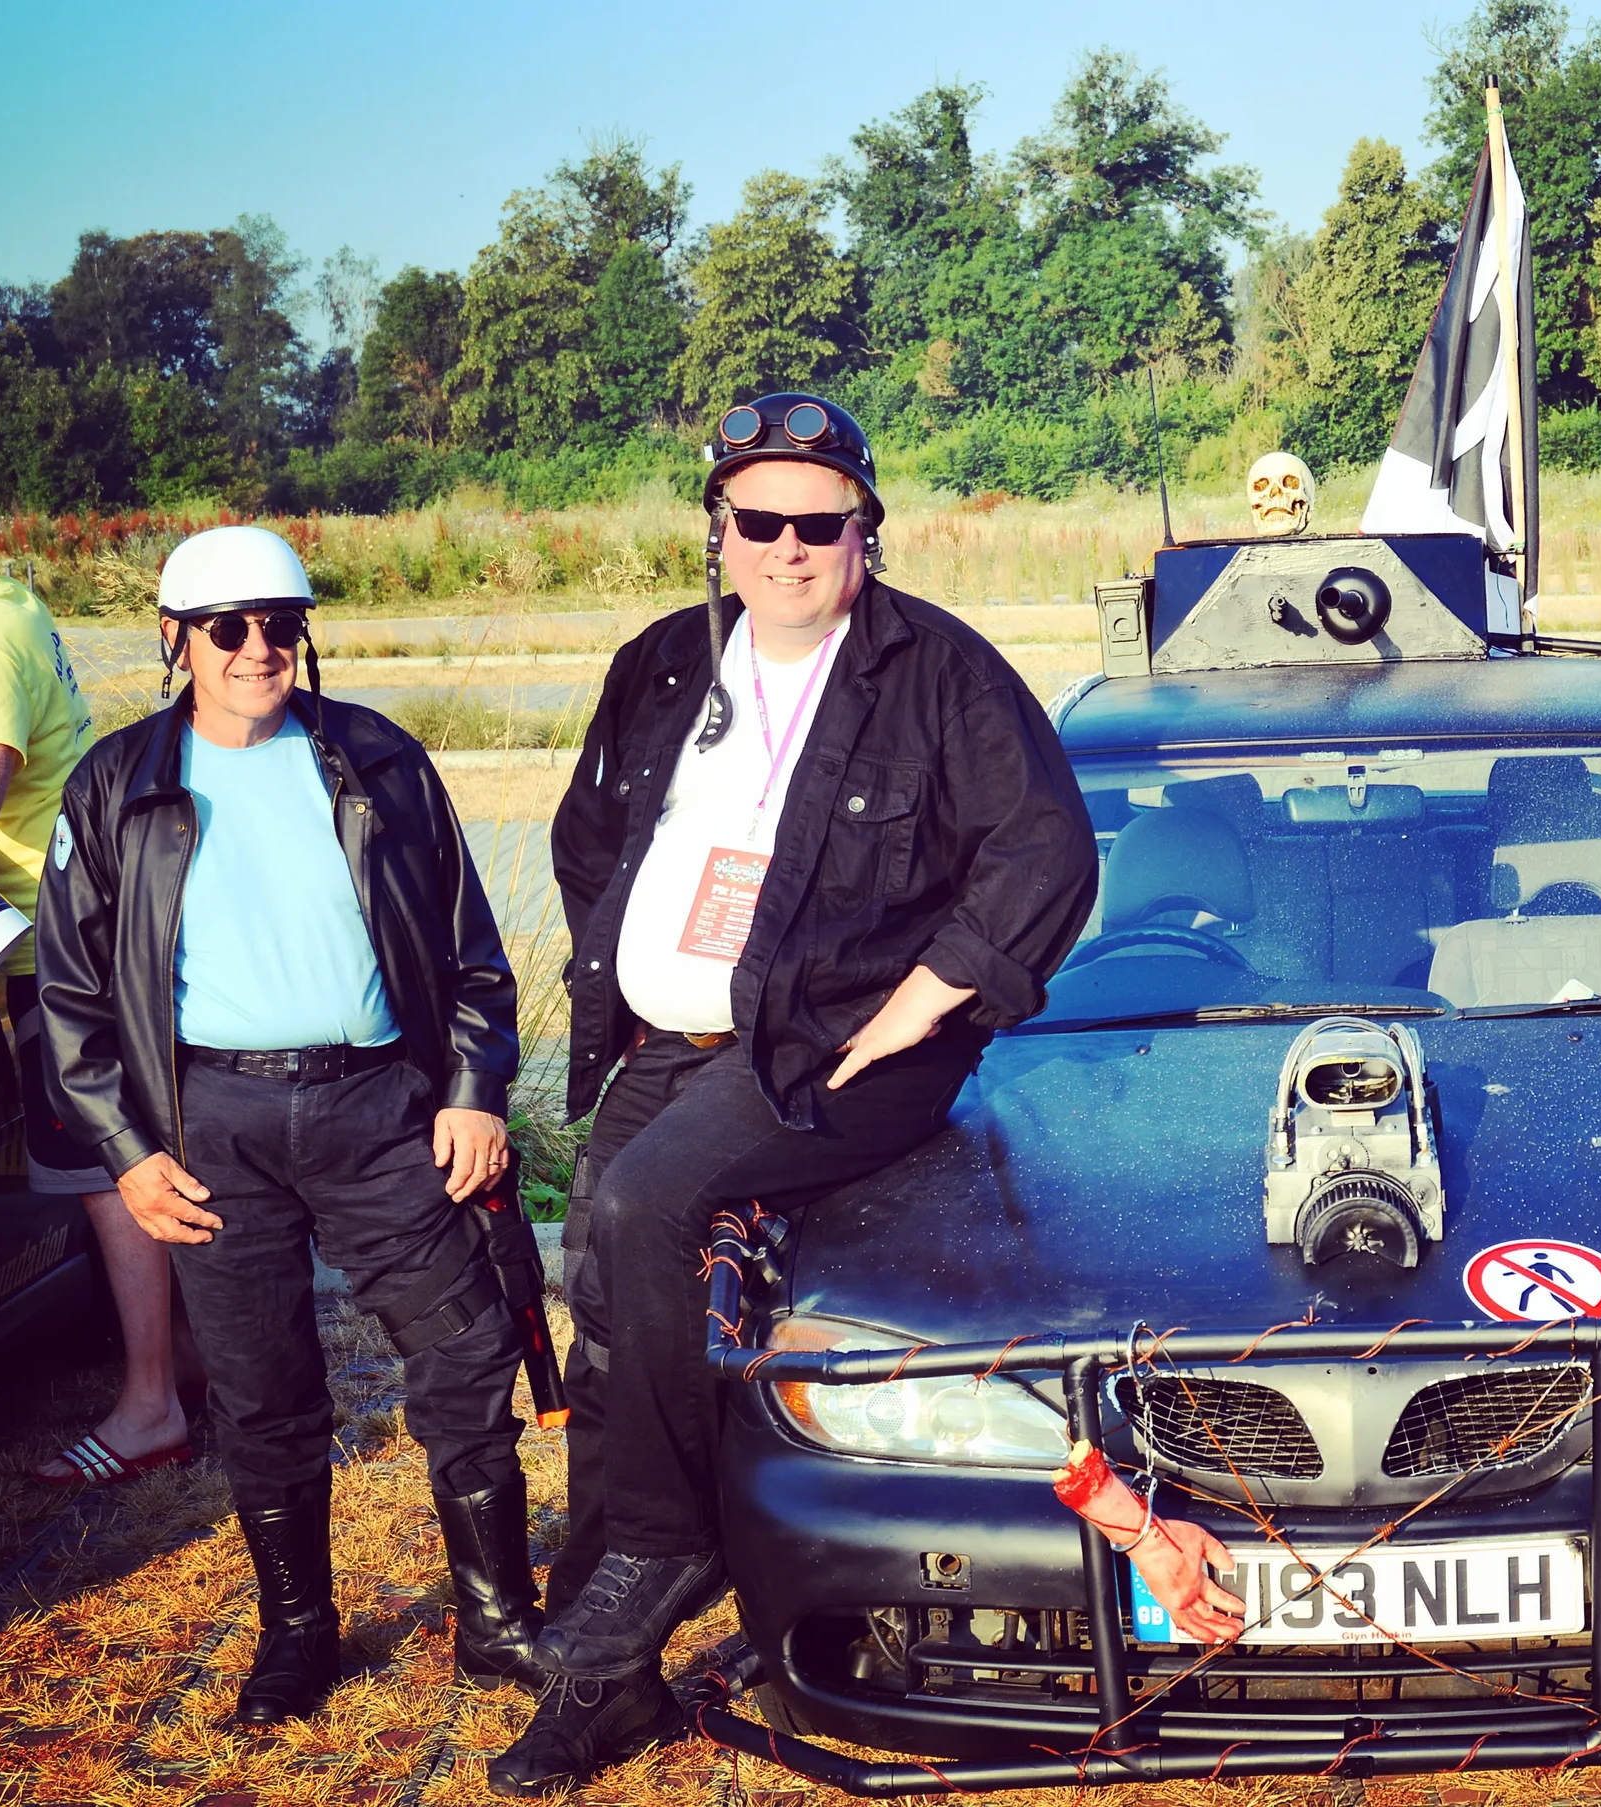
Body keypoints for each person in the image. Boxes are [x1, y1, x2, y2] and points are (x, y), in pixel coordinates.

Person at [488, 393, 1096, 1795]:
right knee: (609, 1309)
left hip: (837, 1058)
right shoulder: (660, 663)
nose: (789, 547)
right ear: (718, 530)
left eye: (821, 523)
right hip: (670, 1049)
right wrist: (635, 982)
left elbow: (1046, 851)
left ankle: (668, 1544)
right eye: (758, 520)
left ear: (867, 532)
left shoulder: (940, 672)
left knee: (643, 1201)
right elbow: (592, 839)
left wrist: (923, 1000)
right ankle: (603, 1688)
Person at [36, 524, 545, 1726]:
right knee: (264, 1391)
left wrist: (474, 1088)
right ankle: (299, 1633)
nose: (258, 647)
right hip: (214, 1123)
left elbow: (473, 955)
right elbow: (71, 998)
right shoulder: (114, 784)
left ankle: (497, 1616)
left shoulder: (380, 759)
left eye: (281, 624)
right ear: (176, 639)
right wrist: (128, 1153)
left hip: (384, 1110)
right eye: (229, 627)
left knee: (469, 1352)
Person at [0, 570, 202, 1488]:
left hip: (53, 937)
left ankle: (152, 1404)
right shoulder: (14, 600)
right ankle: (189, 1362)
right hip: (73, 923)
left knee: (100, 1165)